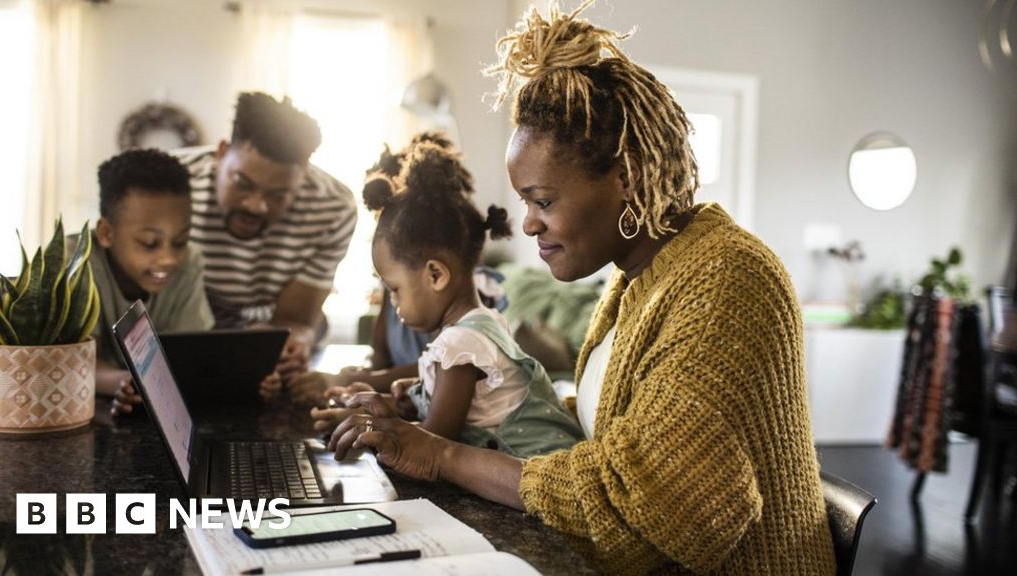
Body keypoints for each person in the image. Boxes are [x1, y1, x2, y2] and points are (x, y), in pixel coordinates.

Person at [326, 2, 836, 574]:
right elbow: (612, 427)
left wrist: (442, 454)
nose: (527, 224)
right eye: (525, 203)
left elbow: (662, 503)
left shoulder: (728, 278)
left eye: (543, 201)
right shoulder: (635, 278)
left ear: (627, 177)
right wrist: (445, 404)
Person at [314, 139, 583, 458]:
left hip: (537, 476)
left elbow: (432, 442)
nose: (393, 303)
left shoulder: (461, 343)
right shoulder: (479, 325)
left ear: (435, 275)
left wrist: (367, 424)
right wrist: (399, 398)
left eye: (394, 289)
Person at [287, 133, 508, 406]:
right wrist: (361, 377)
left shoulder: (467, 300)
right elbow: (381, 357)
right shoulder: (399, 283)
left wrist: (350, 383)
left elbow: (444, 372)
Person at [75, 149, 281, 416]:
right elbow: (73, 362)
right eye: (150, 243)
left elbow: (192, 359)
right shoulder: (76, 264)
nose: (169, 259)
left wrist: (250, 376)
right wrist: (125, 381)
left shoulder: (190, 262)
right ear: (106, 233)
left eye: (180, 241)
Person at [174, 92, 357, 385]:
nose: (256, 206)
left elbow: (297, 318)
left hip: (266, 341)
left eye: (278, 195)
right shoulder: (171, 184)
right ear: (221, 154)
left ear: (302, 177)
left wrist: (288, 344)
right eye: (242, 184)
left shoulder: (333, 207)